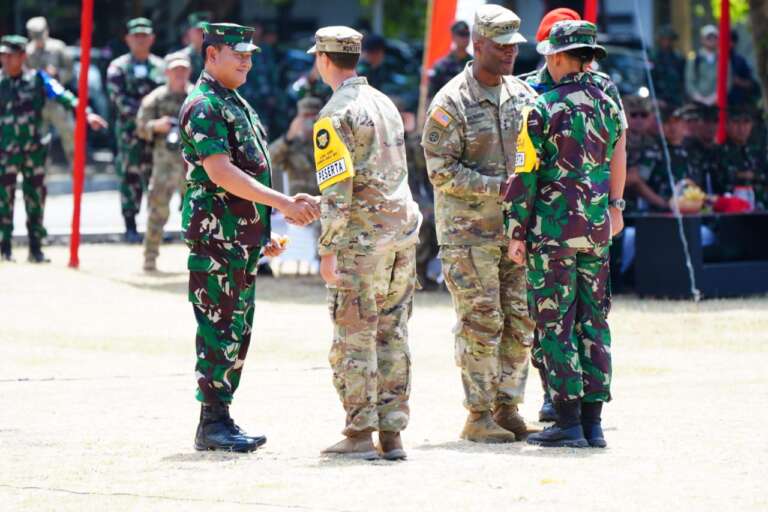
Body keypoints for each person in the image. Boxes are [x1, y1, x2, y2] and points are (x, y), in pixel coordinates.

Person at [180, 22, 320, 452]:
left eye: (249, 54)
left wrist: (262, 235)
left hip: (237, 239)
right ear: (211, 55)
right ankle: (212, 423)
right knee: (220, 328)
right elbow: (221, 172)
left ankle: (221, 418)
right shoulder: (204, 104)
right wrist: (281, 203)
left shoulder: (233, 101)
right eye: (236, 52)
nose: (246, 60)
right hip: (216, 239)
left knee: (237, 329)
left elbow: (249, 173)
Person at [505, 20, 624, 448]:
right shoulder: (608, 105)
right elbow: (619, 156)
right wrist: (616, 206)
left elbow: (524, 174)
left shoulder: (540, 108)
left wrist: (516, 231)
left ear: (557, 57)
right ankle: (593, 424)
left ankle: (567, 421)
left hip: (551, 235)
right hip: (596, 229)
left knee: (555, 322)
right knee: (593, 321)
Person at [422, 4, 536, 443]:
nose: (510, 54)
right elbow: (441, 171)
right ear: (480, 44)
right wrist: (500, 187)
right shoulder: (451, 101)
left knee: (519, 320)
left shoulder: (523, 96)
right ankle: (478, 413)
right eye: (502, 46)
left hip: (514, 234)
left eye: (514, 46)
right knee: (481, 322)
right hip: (469, 236)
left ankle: (508, 405)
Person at [309, 26, 422, 460]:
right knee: (393, 333)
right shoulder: (385, 103)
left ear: (323, 59)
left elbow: (337, 189)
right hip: (400, 234)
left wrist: (328, 247)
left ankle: (359, 433)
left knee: (354, 336)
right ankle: (392, 434)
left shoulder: (334, 115)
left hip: (362, 240)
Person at [0, 35, 107, 263]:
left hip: (33, 152)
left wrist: (86, 113)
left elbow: (63, 96)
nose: (5, 60)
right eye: (3, 56)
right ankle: (5, 247)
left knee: (35, 199)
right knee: (3, 200)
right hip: (5, 153)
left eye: (10, 56)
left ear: (22, 57)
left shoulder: (39, 80)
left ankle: (35, 248)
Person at [107, 18, 166, 243]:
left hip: (157, 135)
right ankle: (130, 227)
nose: (140, 41)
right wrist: (148, 117)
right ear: (128, 39)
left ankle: (154, 229)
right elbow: (119, 100)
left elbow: (169, 96)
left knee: (156, 179)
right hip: (129, 133)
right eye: (136, 36)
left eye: (144, 36)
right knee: (130, 177)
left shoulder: (161, 67)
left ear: (152, 39)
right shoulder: (118, 67)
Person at [136, 52, 194, 272]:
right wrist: (155, 126)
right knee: (157, 211)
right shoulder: (156, 98)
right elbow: (140, 127)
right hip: (164, 165)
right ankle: (150, 257)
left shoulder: (196, 96)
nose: (180, 75)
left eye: (184, 70)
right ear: (167, 72)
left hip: (192, 166)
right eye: (175, 70)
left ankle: (200, 259)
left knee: (198, 214)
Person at [25, 16, 76, 165]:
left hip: (58, 101)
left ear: (47, 31)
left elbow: (71, 71)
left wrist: (57, 74)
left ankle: (76, 173)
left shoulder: (58, 47)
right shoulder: (27, 52)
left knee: (70, 136)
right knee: (39, 142)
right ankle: (41, 176)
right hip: (37, 103)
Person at [268, 96, 321, 195]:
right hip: (301, 201)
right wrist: (289, 137)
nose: (310, 120)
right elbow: (270, 159)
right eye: (306, 116)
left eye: (313, 115)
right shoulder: (290, 143)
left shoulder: (326, 139)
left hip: (325, 200)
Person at [719, 105, 766, 209]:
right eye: (736, 122)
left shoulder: (757, 152)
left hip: (760, 210)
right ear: (727, 125)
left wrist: (753, 176)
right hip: (731, 212)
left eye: (746, 122)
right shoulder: (719, 153)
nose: (741, 127)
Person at [428, 21, 473, 99]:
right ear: (453, 37)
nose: (465, 38)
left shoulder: (474, 64)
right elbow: (432, 93)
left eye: (467, 34)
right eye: (461, 34)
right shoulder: (441, 65)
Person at [685, 25, 726, 106]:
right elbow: (689, 81)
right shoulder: (694, 58)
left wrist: (715, 97)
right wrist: (699, 98)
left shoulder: (723, 58)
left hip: (718, 103)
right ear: (702, 40)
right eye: (708, 37)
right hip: (698, 103)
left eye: (714, 37)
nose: (711, 40)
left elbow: (727, 81)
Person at [651, 25, 686, 107]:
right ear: (660, 40)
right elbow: (649, 79)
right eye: (664, 39)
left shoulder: (679, 58)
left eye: (670, 39)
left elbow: (683, 80)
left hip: (675, 99)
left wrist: (682, 98)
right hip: (658, 99)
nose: (667, 42)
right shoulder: (654, 57)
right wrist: (654, 98)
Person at [178, 11, 210, 82]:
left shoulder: (215, 57)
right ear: (189, 32)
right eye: (199, 30)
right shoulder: (180, 57)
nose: (203, 33)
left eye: (205, 30)